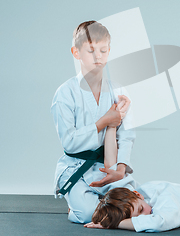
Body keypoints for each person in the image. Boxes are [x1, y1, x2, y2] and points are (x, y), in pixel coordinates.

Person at [51, 20, 137, 224]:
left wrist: (120, 170)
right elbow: (69, 142)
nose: (98, 56)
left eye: (103, 50)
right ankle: (76, 204)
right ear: (76, 52)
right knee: (92, 214)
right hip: (76, 167)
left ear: (109, 51)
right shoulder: (65, 93)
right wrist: (103, 121)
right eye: (91, 50)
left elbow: (126, 136)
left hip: (109, 167)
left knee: (132, 207)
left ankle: (106, 192)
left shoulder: (119, 91)